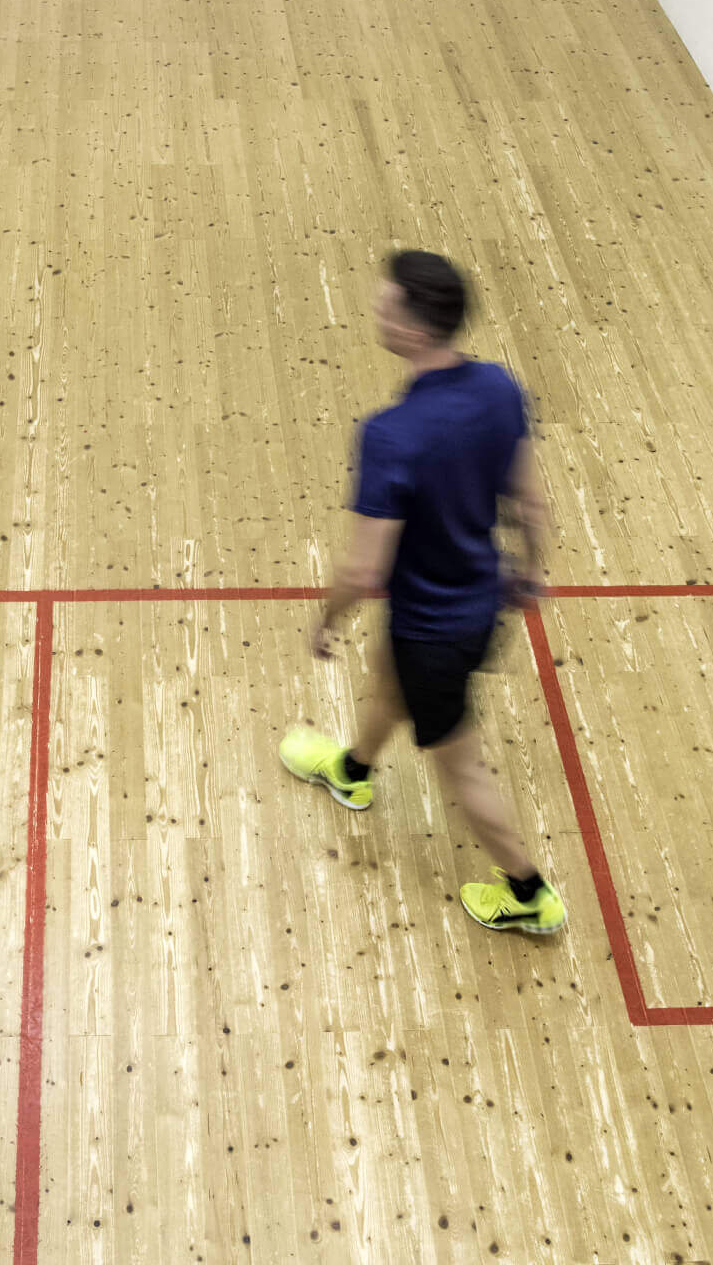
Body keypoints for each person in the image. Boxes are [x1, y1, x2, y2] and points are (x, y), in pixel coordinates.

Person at [280, 249, 568, 935]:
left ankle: (529, 894)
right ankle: (352, 770)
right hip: (477, 604)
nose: (375, 310)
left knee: (462, 770)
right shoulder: (500, 389)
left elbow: (362, 572)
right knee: (388, 683)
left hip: (436, 633)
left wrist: (327, 620)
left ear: (413, 330)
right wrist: (532, 569)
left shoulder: (392, 437)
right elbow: (530, 502)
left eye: (385, 306)